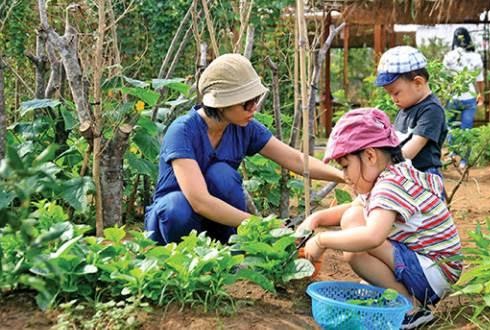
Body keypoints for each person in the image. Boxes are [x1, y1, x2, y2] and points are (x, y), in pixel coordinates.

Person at [144, 53, 344, 245]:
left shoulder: (244, 127)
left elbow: (296, 160)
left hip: (216, 224)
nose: (254, 108)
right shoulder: (182, 131)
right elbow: (199, 201)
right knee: (177, 206)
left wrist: (343, 176)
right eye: (247, 103)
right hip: (172, 224)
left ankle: (228, 247)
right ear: (222, 104)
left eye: (255, 100)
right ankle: (178, 260)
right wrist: (263, 225)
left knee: (221, 174)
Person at [298, 108, 462, 329]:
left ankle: (410, 309)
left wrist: (321, 241)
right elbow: (357, 206)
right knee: (353, 216)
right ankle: (391, 291)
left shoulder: (389, 186)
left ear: (370, 156)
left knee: (355, 250)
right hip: (430, 267)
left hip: (433, 273)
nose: (344, 176)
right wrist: (316, 219)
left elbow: (373, 236)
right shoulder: (392, 174)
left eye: (346, 166)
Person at [375, 46, 448, 183]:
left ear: (418, 83)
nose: (393, 99)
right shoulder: (406, 107)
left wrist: (387, 165)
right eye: (390, 94)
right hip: (405, 173)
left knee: (429, 205)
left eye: (396, 92)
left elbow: (416, 144)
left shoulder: (431, 110)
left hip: (424, 175)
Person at [443, 27, 485, 170]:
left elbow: (445, 79)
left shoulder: (449, 56)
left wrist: (446, 94)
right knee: (467, 130)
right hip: (469, 97)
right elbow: (479, 79)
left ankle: (454, 153)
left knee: (450, 127)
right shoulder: (476, 57)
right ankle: (464, 161)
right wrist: (480, 94)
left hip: (453, 96)